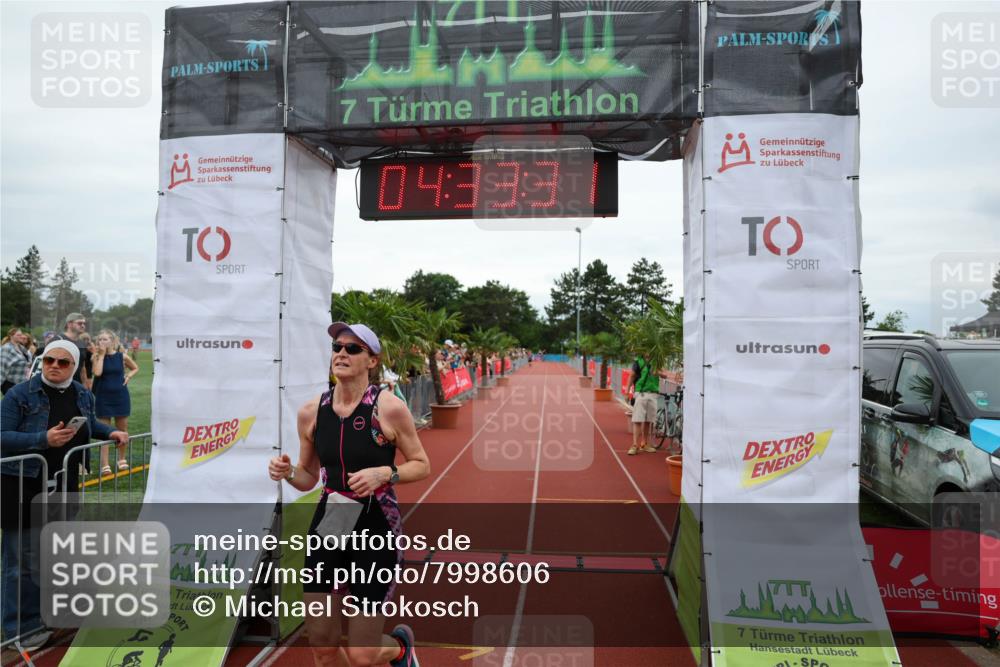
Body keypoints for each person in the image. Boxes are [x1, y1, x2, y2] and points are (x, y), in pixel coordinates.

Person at [268, 323, 429, 667]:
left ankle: (400, 649)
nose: (341, 353)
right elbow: (308, 476)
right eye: (337, 347)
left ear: (372, 361)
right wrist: (287, 473)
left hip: (376, 528)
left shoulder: (388, 409)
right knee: (323, 648)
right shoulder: (312, 412)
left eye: (353, 349)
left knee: (362, 654)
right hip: (331, 522)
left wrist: (385, 472)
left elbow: (421, 464)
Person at [0, 340, 129, 648]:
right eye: (48, 361)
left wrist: (108, 431)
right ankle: (23, 630)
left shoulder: (82, 393)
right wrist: (43, 438)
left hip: (63, 485)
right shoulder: (19, 395)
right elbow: (2, 436)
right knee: (22, 560)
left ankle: (52, 616)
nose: (54, 367)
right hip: (22, 485)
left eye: (62, 362)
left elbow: (85, 423)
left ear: (74, 366)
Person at [92, 330, 139, 475]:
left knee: (122, 429)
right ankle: (105, 464)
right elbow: (97, 373)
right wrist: (100, 355)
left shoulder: (122, 356)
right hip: (102, 398)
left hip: (120, 397)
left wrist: (129, 375)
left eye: (105, 339)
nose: (102, 342)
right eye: (100, 339)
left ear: (112, 341)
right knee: (105, 432)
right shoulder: (96, 357)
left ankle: (121, 459)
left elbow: (136, 367)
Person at [627, 355, 661, 455]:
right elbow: (632, 375)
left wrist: (659, 373)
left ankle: (644, 444)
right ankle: (634, 445)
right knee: (637, 419)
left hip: (653, 393)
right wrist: (627, 391)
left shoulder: (657, 360)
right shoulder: (638, 362)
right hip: (641, 393)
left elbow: (664, 373)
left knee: (648, 420)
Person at [49, 313, 91, 389]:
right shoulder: (58, 340)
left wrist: (85, 385)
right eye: (79, 323)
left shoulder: (82, 343)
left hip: (76, 386)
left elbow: (82, 367)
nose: (83, 325)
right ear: (69, 324)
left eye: (84, 323)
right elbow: (46, 364)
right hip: (58, 386)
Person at [1, 327, 33, 395]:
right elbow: (2, 367)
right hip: (9, 383)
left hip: (22, 382)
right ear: (11, 336)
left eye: (21, 335)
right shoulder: (6, 348)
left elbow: (28, 362)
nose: (21, 336)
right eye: (18, 335)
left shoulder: (22, 348)